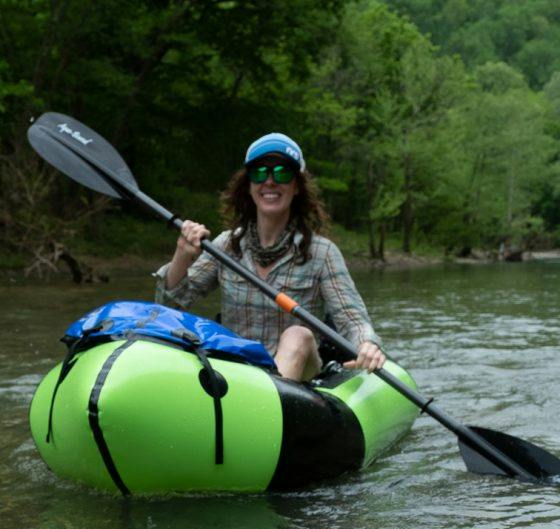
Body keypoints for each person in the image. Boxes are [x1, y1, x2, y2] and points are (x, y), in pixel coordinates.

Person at [155, 132, 387, 382]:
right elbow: (169, 306)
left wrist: (366, 344)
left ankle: (270, 405)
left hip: (301, 378)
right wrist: (182, 254)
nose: (270, 181)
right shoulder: (226, 246)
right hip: (237, 369)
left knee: (298, 335)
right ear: (249, 186)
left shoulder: (322, 253)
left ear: (296, 186)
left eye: (282, 173)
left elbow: (353, 320)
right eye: (259, 173)